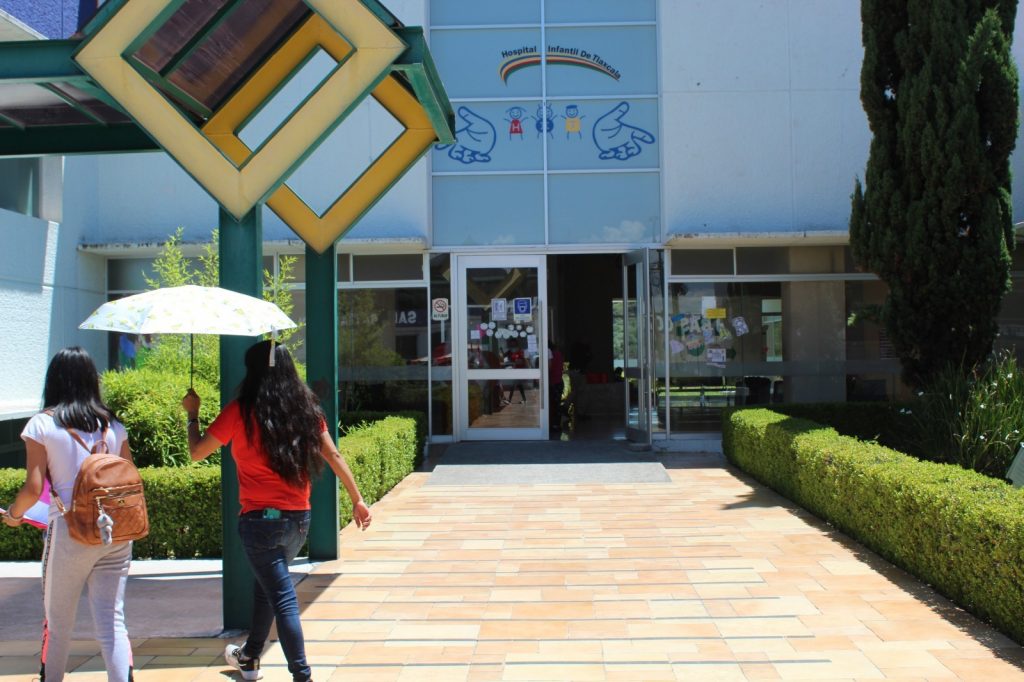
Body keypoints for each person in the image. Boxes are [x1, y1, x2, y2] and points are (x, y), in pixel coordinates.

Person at [182, 340, 371, 682]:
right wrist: (357, 499)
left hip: (259, 523)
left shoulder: (240, 411)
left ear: (253, 371)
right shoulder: (306, 411)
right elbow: (334, 455)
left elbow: (197, 452)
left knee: (282, 597)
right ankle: (250, 657)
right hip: (298, 521)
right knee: (267, 587)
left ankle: (302, 674)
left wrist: (193, 414)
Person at [2, 347, 135, 682]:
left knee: (59, 624)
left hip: (69, 531)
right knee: (112, 621)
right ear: (92, 380)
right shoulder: (113, 425)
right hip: (115, 531)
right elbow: (130, 477)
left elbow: (33, 488)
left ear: (54, 380)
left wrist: (14, 515)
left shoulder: (42, 424)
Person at [548, 341, 565, 430]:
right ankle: (556, 424)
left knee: (553, 405)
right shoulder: (558, 353)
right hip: (558, 382)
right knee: (556, 404)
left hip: (553, 382)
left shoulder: (552, 355)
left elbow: (550, 368)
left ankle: (554, 424)